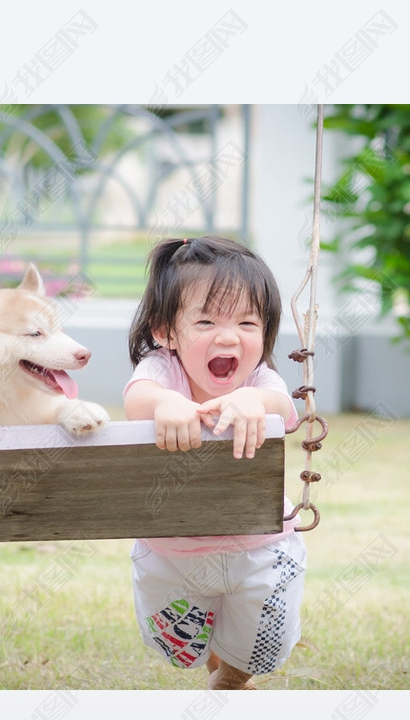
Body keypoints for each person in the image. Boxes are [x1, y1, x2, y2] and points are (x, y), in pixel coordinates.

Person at [124, 236, 306, 690]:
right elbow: (137, 399)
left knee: (259, 644)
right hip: (173, 552)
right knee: (184, 646)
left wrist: (251, 399)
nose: (229, 336)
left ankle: (228, 684)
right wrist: (166, 403)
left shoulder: (258, 377)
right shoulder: (162, 369)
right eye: (206, 320)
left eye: (247, 321)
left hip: (259, 547)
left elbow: (283, 405)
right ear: (166, 331)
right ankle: (218, 673)